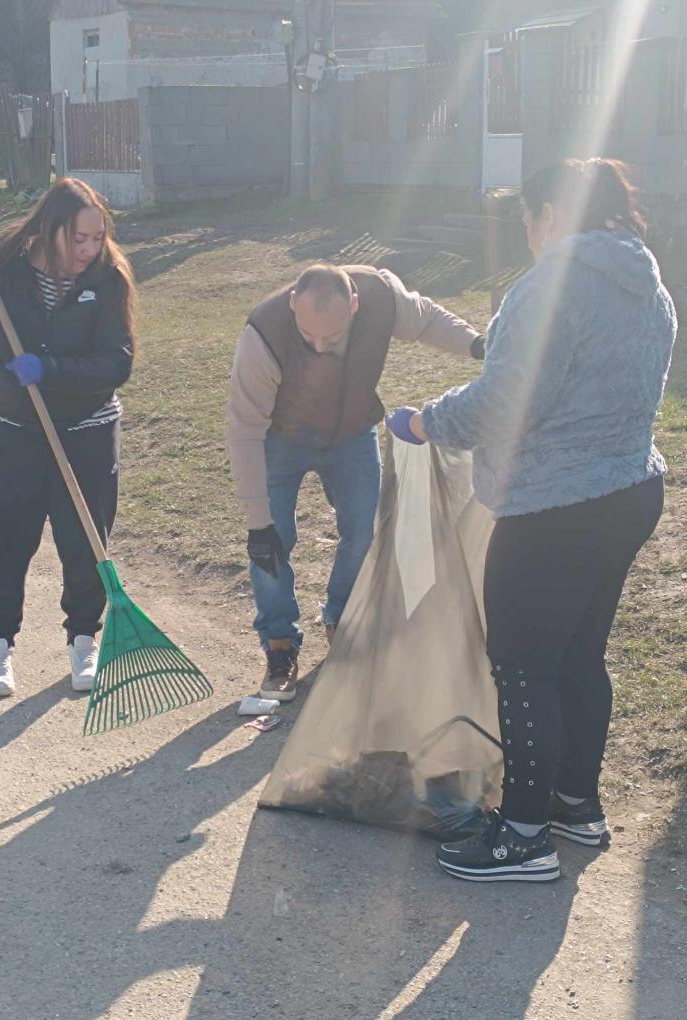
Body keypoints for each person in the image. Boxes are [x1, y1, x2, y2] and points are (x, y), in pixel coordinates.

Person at [387, 159, 677, 883]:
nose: (526, 233)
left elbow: (504, 401)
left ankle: (521, 837)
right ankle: (573, 805)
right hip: (628, 490)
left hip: (554, 503)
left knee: (522, 661)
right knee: (578, 652)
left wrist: (427, 422)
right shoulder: (648, 285)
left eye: (526, 218)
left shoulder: (550, 284)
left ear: (548, 212)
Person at [226, 262, 486, 701]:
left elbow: (426, 319)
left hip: (351, 433)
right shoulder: (264, 334)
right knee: (273, 541)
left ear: (355, 307)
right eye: (310, 336)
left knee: (364, 530)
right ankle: (279, 646)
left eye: (333, 336)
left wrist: (479, 344)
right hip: (280, 439)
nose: (321, 346)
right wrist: (257, 521)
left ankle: (344, 624)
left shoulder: (382, 296)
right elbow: (244, 429)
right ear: (293, 304)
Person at [0, 178, 136, 697]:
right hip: (12, 431)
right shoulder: (9, 262)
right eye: (78, 238)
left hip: (85, 430)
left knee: (85, 543)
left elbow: (118, 362)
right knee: (4, 541)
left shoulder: (109, 279)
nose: (89, 249)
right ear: (50, 228)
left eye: (96, 237)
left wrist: (52, 368)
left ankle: (83, 639)